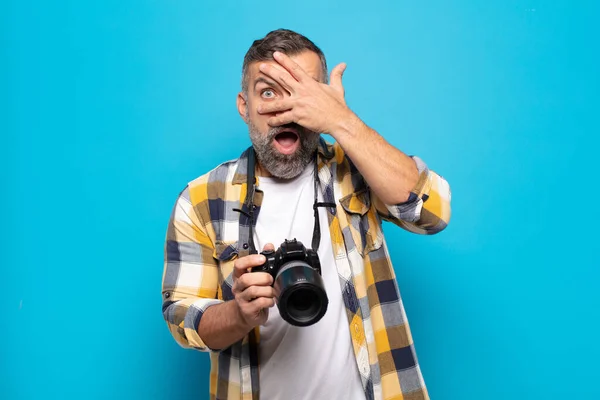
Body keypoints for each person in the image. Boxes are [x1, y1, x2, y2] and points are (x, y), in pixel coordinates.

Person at [162, 29, 451, 400]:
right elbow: (182, 318)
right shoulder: (201, 199)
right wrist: (238, 313)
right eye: (268, 92)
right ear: (243, 105)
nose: (287, 110)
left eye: (303, 93)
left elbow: (432, 211)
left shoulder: (358, 169)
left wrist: (342, 122)